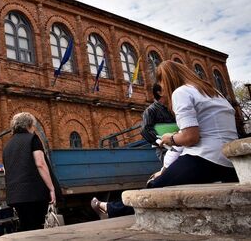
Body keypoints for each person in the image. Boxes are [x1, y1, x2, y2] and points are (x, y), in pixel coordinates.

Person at [92, 60, 239, 218]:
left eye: (161, 81)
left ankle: (111, 209)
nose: (161, 87)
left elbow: (190, 137)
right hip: (231, 162)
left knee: (156, 187)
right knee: (163, 179)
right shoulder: (215, 92)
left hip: (205, 158)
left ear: (167, 79)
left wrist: (171, 138)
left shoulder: (181, 92)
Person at [2, 112, 56, 231]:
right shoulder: (33, 139)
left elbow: (7, 171)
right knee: (37, 227)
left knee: (26, 227)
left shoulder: (7, 146)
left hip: (15, 196)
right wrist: (51, 188)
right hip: (33, 194)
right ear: (29, 125)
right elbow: (40, 164)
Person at [140, 83, 176, 162]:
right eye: (167, 88)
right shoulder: (150, 110)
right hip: (165, 150)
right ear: (159, 92)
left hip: (180, 144)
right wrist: (163, 143)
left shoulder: (174, 106)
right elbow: (145, 130)